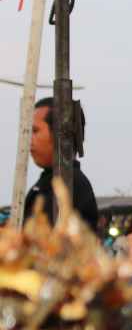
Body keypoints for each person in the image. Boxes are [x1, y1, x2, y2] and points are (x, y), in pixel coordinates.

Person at [24, 96, 98, 231]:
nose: (29, 139)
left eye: (35, 131)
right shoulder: (47, 183)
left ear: (60, 134)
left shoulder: (69, 184)